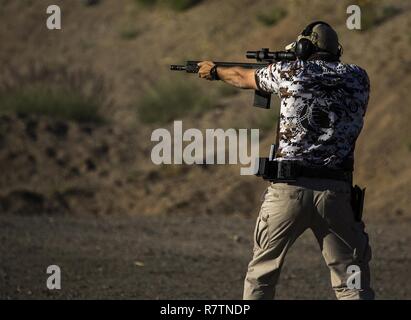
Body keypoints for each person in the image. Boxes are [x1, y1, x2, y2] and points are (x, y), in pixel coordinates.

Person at [197, 21, 374, 300]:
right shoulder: (358, 77)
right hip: (336, 193)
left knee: (261, 276)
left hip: (288, 190)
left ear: (303, 48)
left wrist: (215, 71)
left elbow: (242, 77)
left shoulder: (289, 71)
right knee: (351, 281)